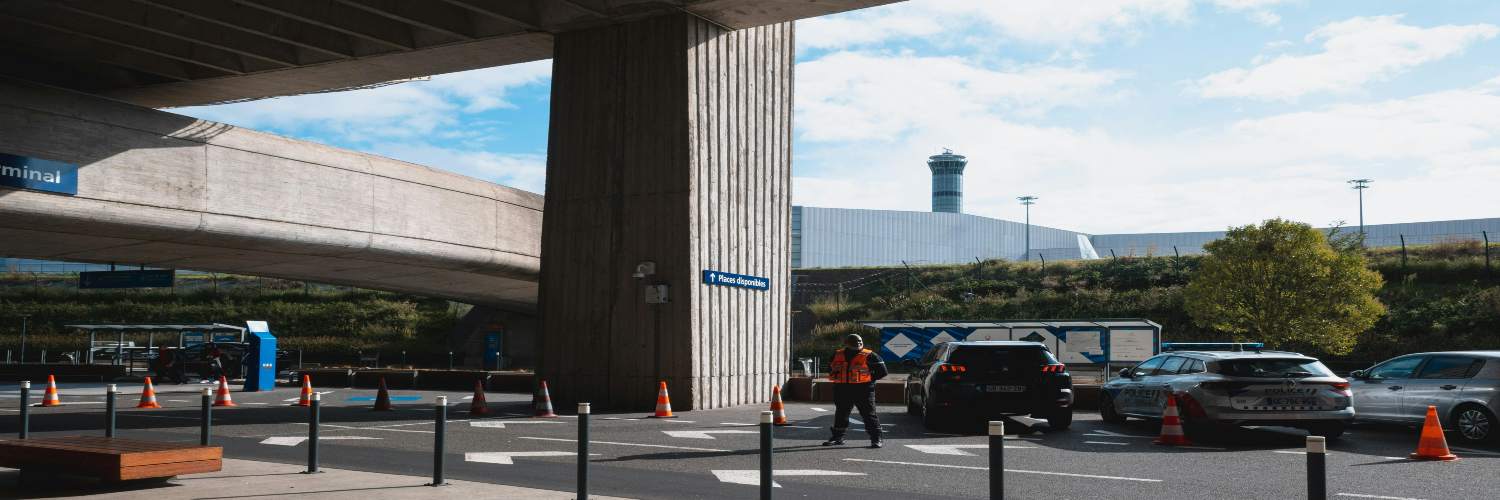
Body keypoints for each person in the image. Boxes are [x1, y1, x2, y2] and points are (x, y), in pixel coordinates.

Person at [823, 333, 889, 448]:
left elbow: (883, 372)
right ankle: (837, 437)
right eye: (855, 342)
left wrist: (869, 379)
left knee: (869, 415)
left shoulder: (870, 355)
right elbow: (830, 368)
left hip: (863, 389)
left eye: (860, 341)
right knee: (841, 414)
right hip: (842, 389)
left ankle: (876, 439)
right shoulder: (837, 354)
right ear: (847, 343)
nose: (858, 343)